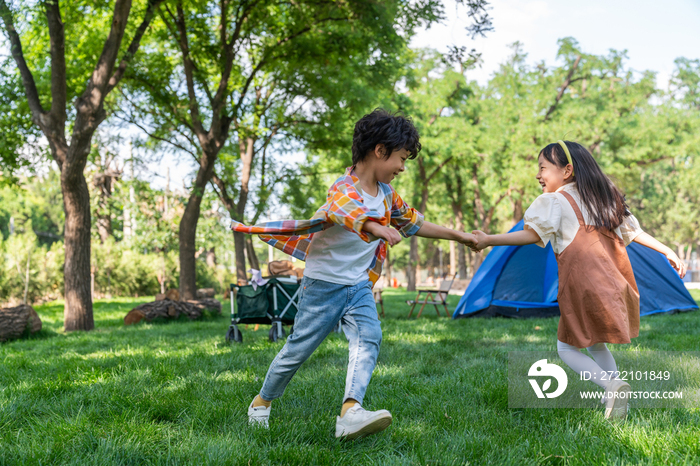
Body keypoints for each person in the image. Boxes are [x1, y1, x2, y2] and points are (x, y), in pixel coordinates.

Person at [232, 109, 478, 439]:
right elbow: (343, 210)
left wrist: (460, 236)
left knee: (369, 337)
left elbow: (416, 223)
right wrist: (375, 227)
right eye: (401, 159)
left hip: (358, 284)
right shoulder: (343, 187)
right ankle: (261, 402)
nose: (402, 168)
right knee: (298, 350)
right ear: (379, 150)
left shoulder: (388, 196)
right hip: (323, 286)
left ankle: (351, 411)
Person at [472, 140, 686, 421]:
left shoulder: (555, 201)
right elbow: (634, 233)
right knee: (597, 344)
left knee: (566, 348)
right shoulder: (602, 200)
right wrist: (667, 249)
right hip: (614, 283)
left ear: (567, 170)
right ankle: (616, 396)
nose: (538, 175)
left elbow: (532, 235)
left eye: (543, 168)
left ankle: (610, 385)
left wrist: (489, 239)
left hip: (582, 285)